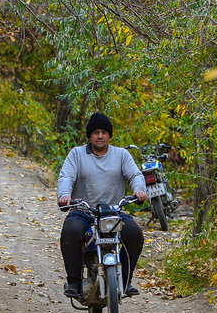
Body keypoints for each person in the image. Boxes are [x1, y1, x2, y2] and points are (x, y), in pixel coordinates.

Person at [56, 112, 148, 299]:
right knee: (70, 232)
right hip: (84, 211)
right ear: (90, 135)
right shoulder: (77, 154)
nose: (100, 136)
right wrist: (64, 195)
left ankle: (125, 280)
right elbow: (66, 176)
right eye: (96, 132)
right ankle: (74, 282)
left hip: (113, 212)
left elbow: (135, 175)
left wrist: (139, 190)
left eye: (104, 132)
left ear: (109, 135)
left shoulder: (121, 155)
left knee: (134, 234)